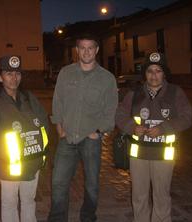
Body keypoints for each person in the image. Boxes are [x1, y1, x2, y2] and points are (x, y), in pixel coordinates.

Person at [48, 34, 118, 222]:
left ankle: (88, 218)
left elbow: (110, 110)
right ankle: (56, 219)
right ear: (77, 50)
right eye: (82, 48)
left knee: (92, 185)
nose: (86, 51)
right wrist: (59, 127)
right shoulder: (66, 73)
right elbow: (58, 101)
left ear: (96, 50)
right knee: (58, 183)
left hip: (90, 139)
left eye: (90, 48)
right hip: (67, 137)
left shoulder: (107, 78)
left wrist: (98, 131)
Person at [116, 52, 192, 222]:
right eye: (150, 71)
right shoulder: (134, 94)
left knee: (161, 196)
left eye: (158, 71)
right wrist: (132, 127)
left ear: (164, 73)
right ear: (145, 74)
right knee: (139, 196)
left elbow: (187, 117)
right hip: (139, 155)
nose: (154, 75)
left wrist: (164, 128)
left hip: (164, 155)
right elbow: (119, 114)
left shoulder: (175, 92)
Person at [0, 55, 49, 222]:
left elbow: (44, 125)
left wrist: (40, 151)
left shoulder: (29, 98)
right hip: (9, 165)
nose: (14, 78)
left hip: (33, 162)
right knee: (9, 204)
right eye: (8, 73)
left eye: (17, 73)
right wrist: (11, 155)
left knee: (28, 201)